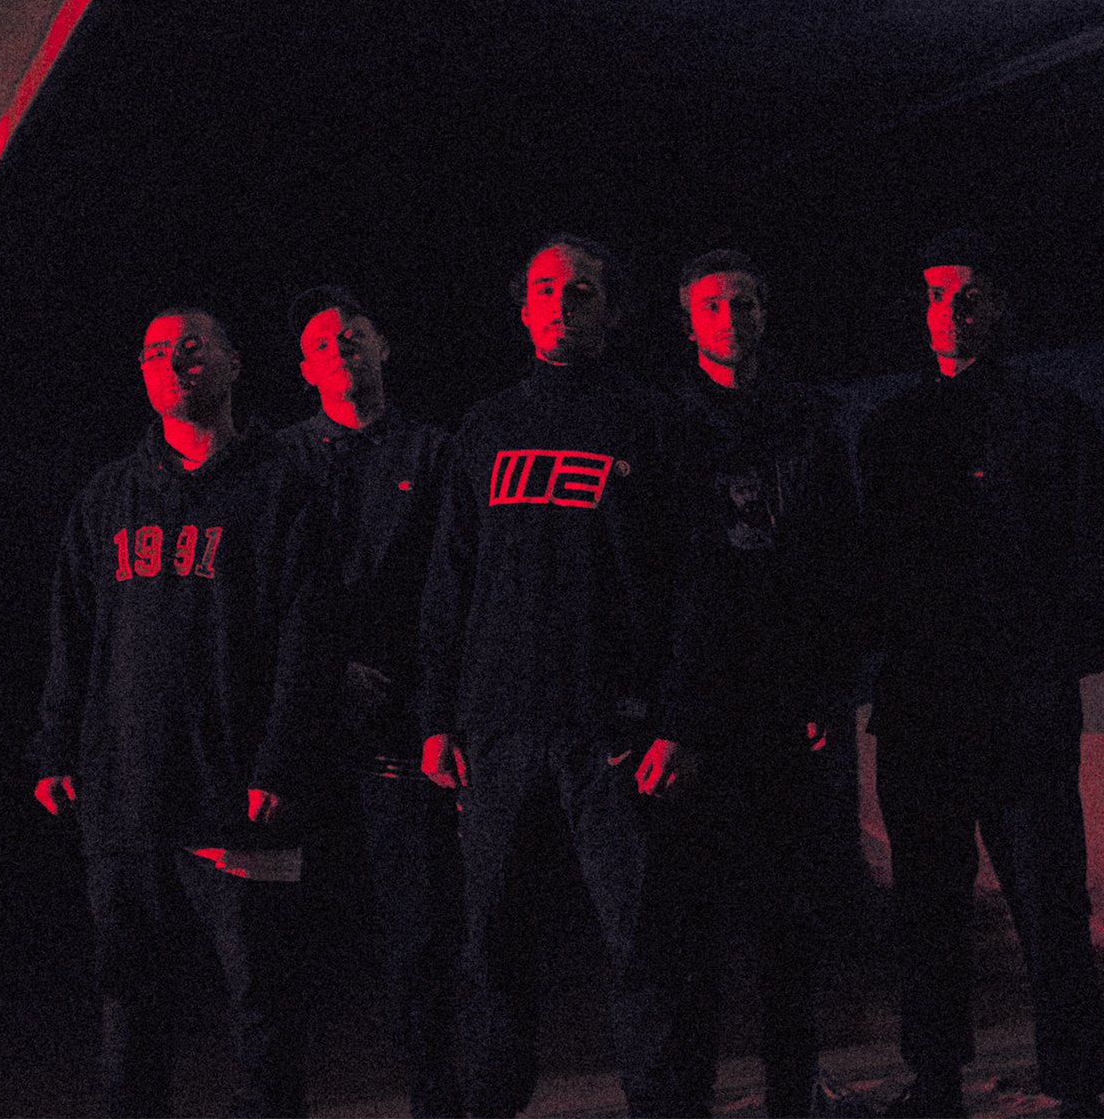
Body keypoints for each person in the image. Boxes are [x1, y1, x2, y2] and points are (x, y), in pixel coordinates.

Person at [417, 235, 696, 1118]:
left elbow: (692, 587)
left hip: (614, 731)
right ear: (523, 308)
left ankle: (664, 1106)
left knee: (640, 941)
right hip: (499, 731)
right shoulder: (487, 428)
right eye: (545, 289)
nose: (562, 304)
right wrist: (437, 717)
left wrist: (674, 720)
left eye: (581, 291)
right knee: (491, 942)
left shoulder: (653, 422)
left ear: (612, 310)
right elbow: (451, 581)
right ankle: (491, 1103)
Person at [858, 231, 1104, 1119]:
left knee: (1050, 904)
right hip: (924, 708)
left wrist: (1060, 659)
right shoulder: (893, 430)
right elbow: (872, 566)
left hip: (1021, 706)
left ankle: (1077, 1081)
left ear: (998, 306)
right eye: (937, 295)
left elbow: (1100, 551)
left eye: (968, 294)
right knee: (929, 912)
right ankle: (936, 1081)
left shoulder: (1052, 415)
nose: (952, 311)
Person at [34, 307, 330, 1118]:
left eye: (192, 348)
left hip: (237, 791)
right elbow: (73, 632)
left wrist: (280, 761)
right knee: (130, 1000)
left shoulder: (283, 486)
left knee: (261, 1001)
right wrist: (56, 746)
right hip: (126, 792)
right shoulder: (109, 495)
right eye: (156, 352)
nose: (174, 362)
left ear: (234, 364)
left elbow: (308, 638)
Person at [668, 249, 859, 1117]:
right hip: (701, 708)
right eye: (713, 306)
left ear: (764, 314)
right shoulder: (667, 422)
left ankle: (794, 1093)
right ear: (689, 322)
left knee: (791, 920)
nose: (731, 319)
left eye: (743, 303)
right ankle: (689, 1096)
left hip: (788, 700)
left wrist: (829, 685)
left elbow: (840, 557)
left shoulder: (809, 418)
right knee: (694, 925)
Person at [275, 285, 461, 1118]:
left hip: (405, 723)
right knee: (284, 938)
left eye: (352, 335)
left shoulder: (433, 452)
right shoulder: (280, 459)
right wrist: (327, 671)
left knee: (419, 933)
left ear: (383, 347)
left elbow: (450, 586)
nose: (340, 349)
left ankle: (436, 1100)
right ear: (304, 368)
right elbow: (267, 593)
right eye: (322, 343)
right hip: (302, 728)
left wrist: (434, 710)